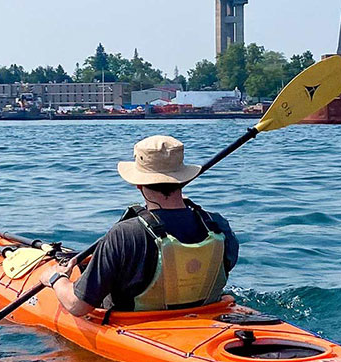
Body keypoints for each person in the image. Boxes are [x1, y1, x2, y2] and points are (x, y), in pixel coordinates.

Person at [47, 135, 238, 318]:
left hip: (136, 324)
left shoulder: (125, 234)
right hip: (205, 313)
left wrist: (56, 279)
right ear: (183, 181)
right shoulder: (217, 224)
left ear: (138, 184)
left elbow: (77, 306)